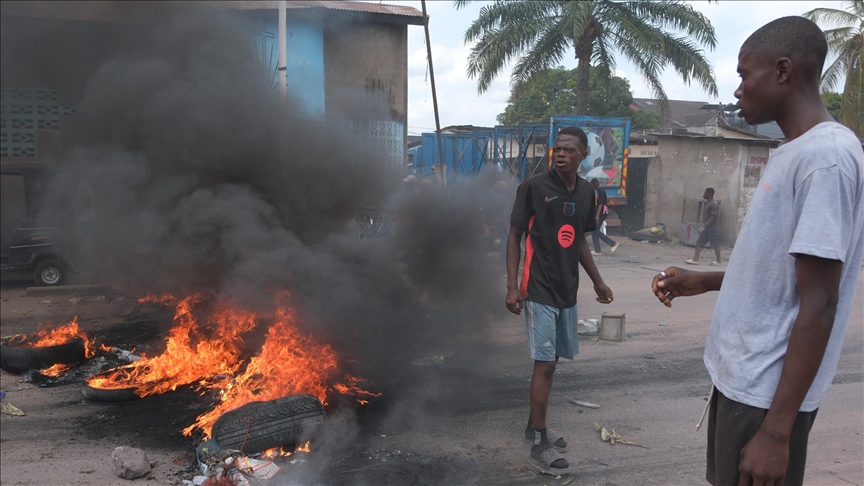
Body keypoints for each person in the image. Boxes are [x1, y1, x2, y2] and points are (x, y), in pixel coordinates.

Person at [651, 16, 864, 486]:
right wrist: (703, 281)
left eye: (745, 75)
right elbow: (782, 271)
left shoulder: (824, 159)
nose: (737, 90)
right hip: (746, 382)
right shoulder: (796, 151)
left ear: (783, 71)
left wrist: (776, 433)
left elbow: (821, 303)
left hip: (766, 395)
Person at [506, 126, 614, 475]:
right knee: (545, 364)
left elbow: (581, 240)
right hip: (537, 289)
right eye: (557, 149)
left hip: (567, 291)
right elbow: (514, 235)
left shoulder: (587, 194)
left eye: (569, 149)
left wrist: (597, 281)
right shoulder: (533, 188)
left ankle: (532, 426)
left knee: (552, 359)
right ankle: (539, 444)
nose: (561, 153)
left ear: (583, 155)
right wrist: (512, 285)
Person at [685, 188, 722, 266]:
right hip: (706, 228)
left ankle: (718, 261)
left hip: (713, 228)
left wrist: (704, 226)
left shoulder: (714, 204)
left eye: (705, 193)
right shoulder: (708, 203)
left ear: (709, 194)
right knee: (699, 243)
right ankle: (695, 259)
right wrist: (704, 227)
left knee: (715, 245)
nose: (703, 194)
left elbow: (713, 217)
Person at [589, 178, 619, 255]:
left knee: (595, 231)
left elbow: (600, 204)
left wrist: (597, 215)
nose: (592, 187)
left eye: (592, 185)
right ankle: (597, 250)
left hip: (602, 213)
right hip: (601, 213)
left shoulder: (601, 192)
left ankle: (613, 243)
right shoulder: (599, 191)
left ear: (595, 184)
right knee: (594, 231)